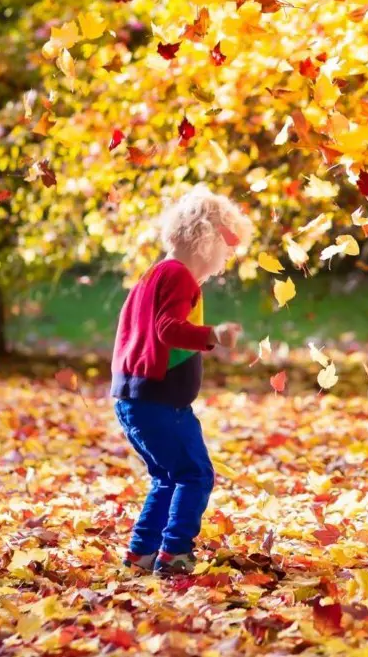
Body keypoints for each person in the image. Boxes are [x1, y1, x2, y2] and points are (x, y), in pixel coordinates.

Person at [110, 185, 251, 575]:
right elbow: (167, 328)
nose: (226, 259)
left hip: (135, 399)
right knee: (195, 473)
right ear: (206, 241)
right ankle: (174, 554)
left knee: (166, 477)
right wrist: (211, 335)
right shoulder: (178, 277)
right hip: (160, 402)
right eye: (226, 248)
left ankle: (141, 554)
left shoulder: (154, 274)